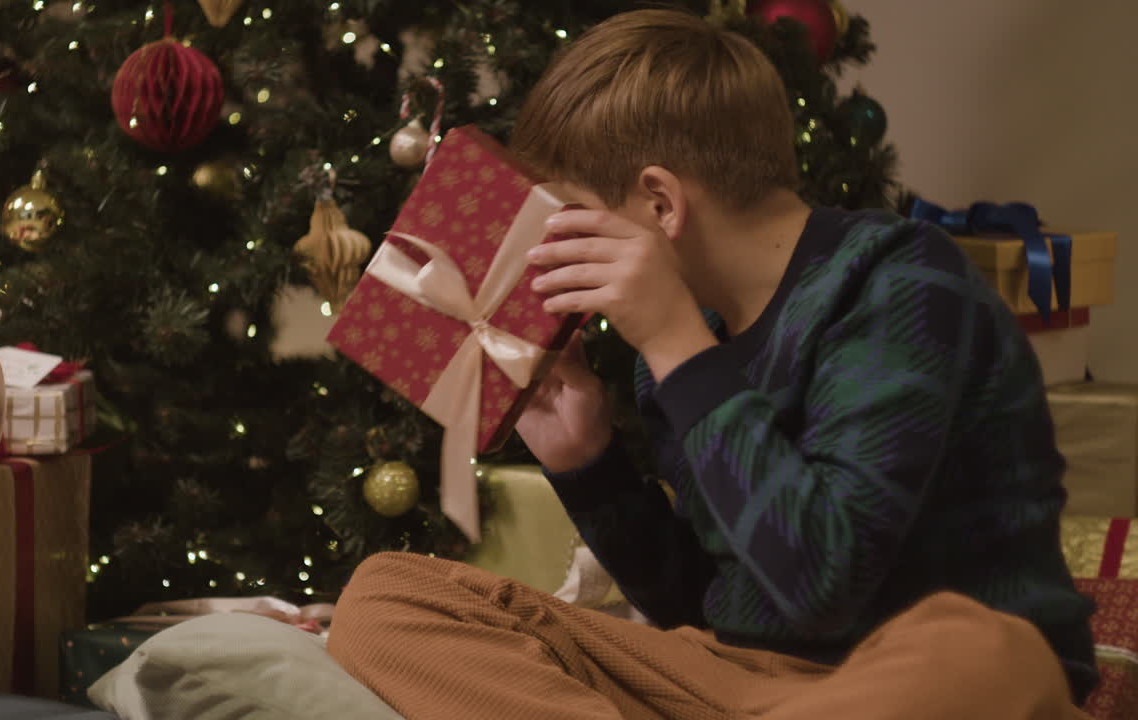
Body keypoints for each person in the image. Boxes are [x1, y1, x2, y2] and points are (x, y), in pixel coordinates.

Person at [327, 8, 1096, 719]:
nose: (548, 255)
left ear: (659, 205)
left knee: (986, 652)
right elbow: (709, 611)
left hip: (907, 679)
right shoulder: (684, 340)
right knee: (387, 598)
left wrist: (675, 348)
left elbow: (820, 585)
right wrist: (591, 465)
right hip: (741, 684)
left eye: (571, 219)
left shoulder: (903, 283)